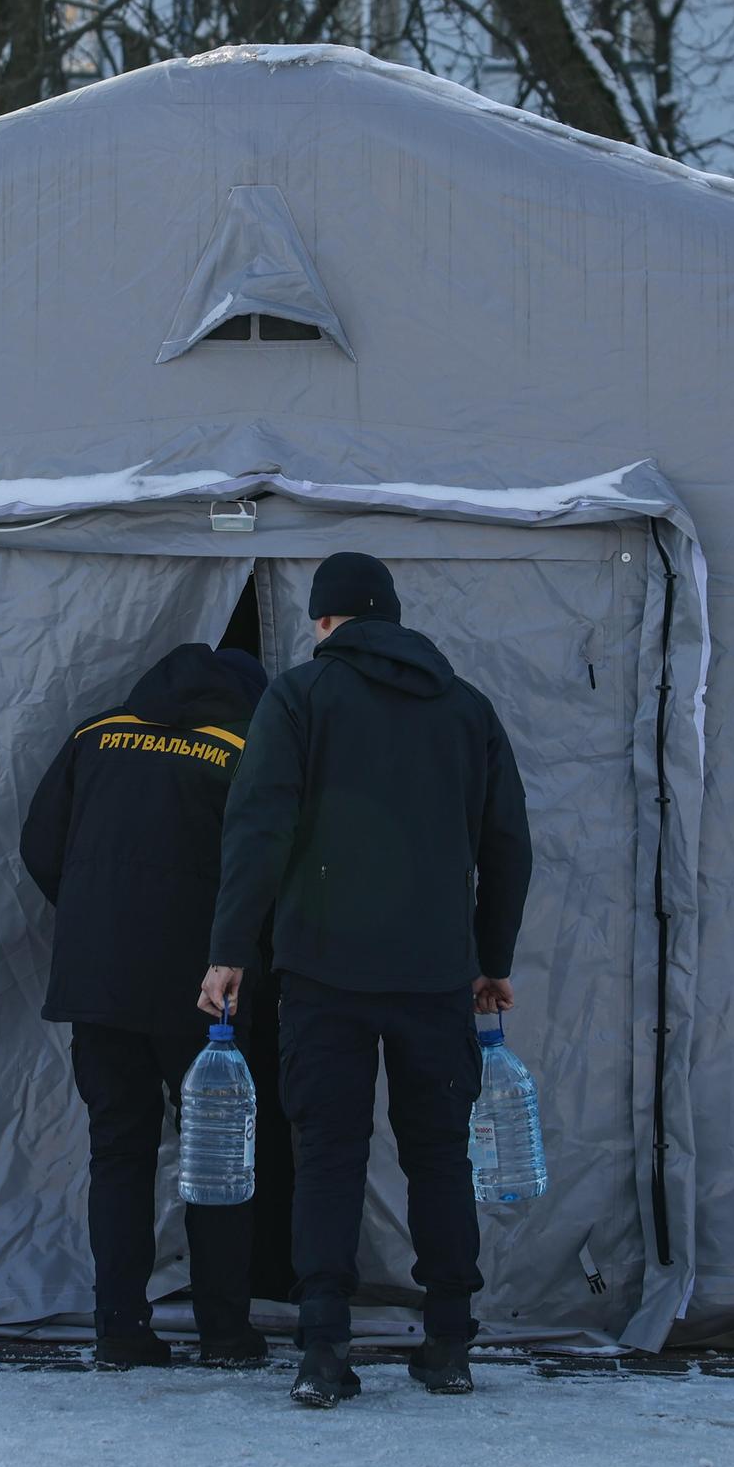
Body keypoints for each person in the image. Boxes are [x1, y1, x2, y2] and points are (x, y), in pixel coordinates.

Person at [201, 554, 532, 1408]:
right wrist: (491, 961)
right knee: (439, 1158)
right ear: (392, 616)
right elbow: (507, 848)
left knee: (329, 1156)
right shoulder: (466, 708)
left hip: (323, 970)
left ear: (323, 621)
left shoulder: (301, 698)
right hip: (434, 973)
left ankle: (322, 1349)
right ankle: (450, 1341)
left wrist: (230, 948)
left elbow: (259, 826)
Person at [20, 640, 271, 1369]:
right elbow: (263, 869)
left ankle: (120, 1328)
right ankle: (225, 1332)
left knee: (119, 1153)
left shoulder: (95, 735)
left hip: (98, 986)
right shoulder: (240, 750)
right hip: (204, 994)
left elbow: (41, 845)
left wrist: (92, 919)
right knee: (218, 1154)